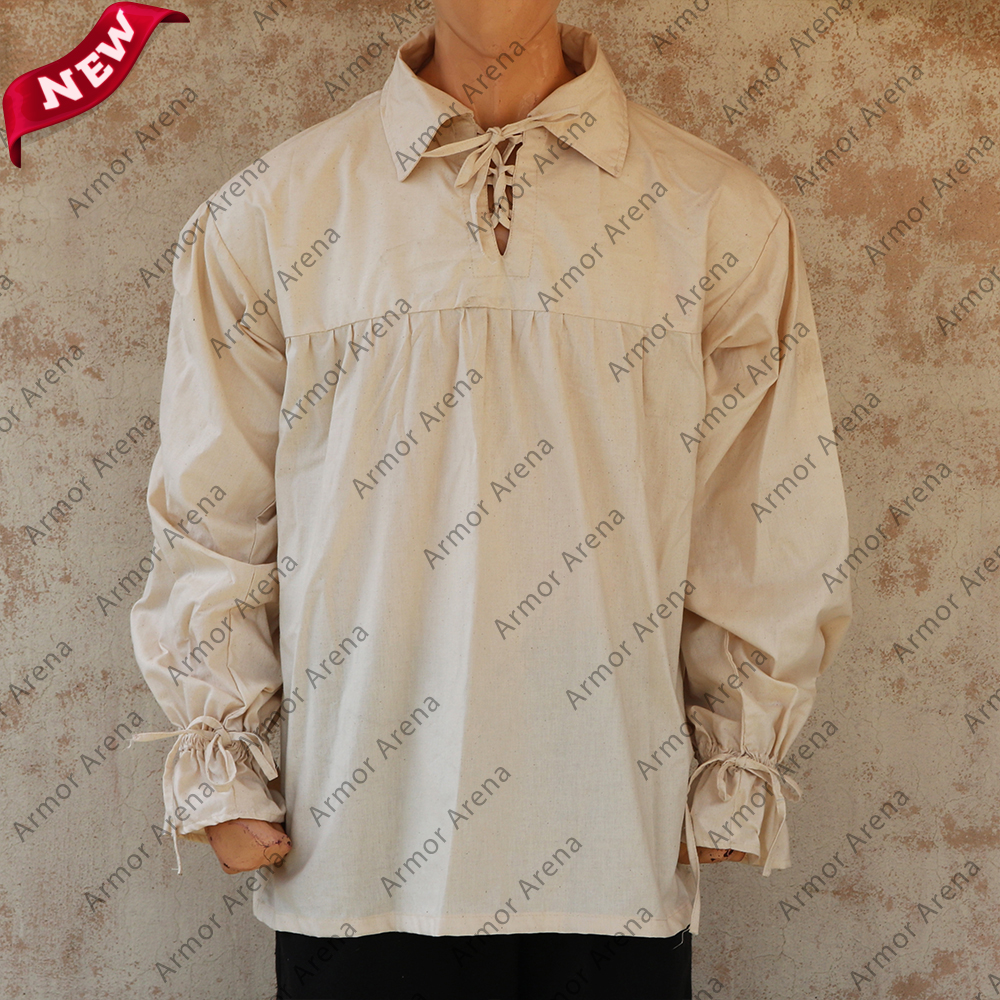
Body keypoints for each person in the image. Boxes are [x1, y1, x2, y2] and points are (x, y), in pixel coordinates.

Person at [128, 1, 853, 997]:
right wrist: (226, 757)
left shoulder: (716, 216)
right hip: (356, 850)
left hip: (609, 843)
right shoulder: (271, 213)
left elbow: (762, 512)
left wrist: (740, 751)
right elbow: (210, 515)